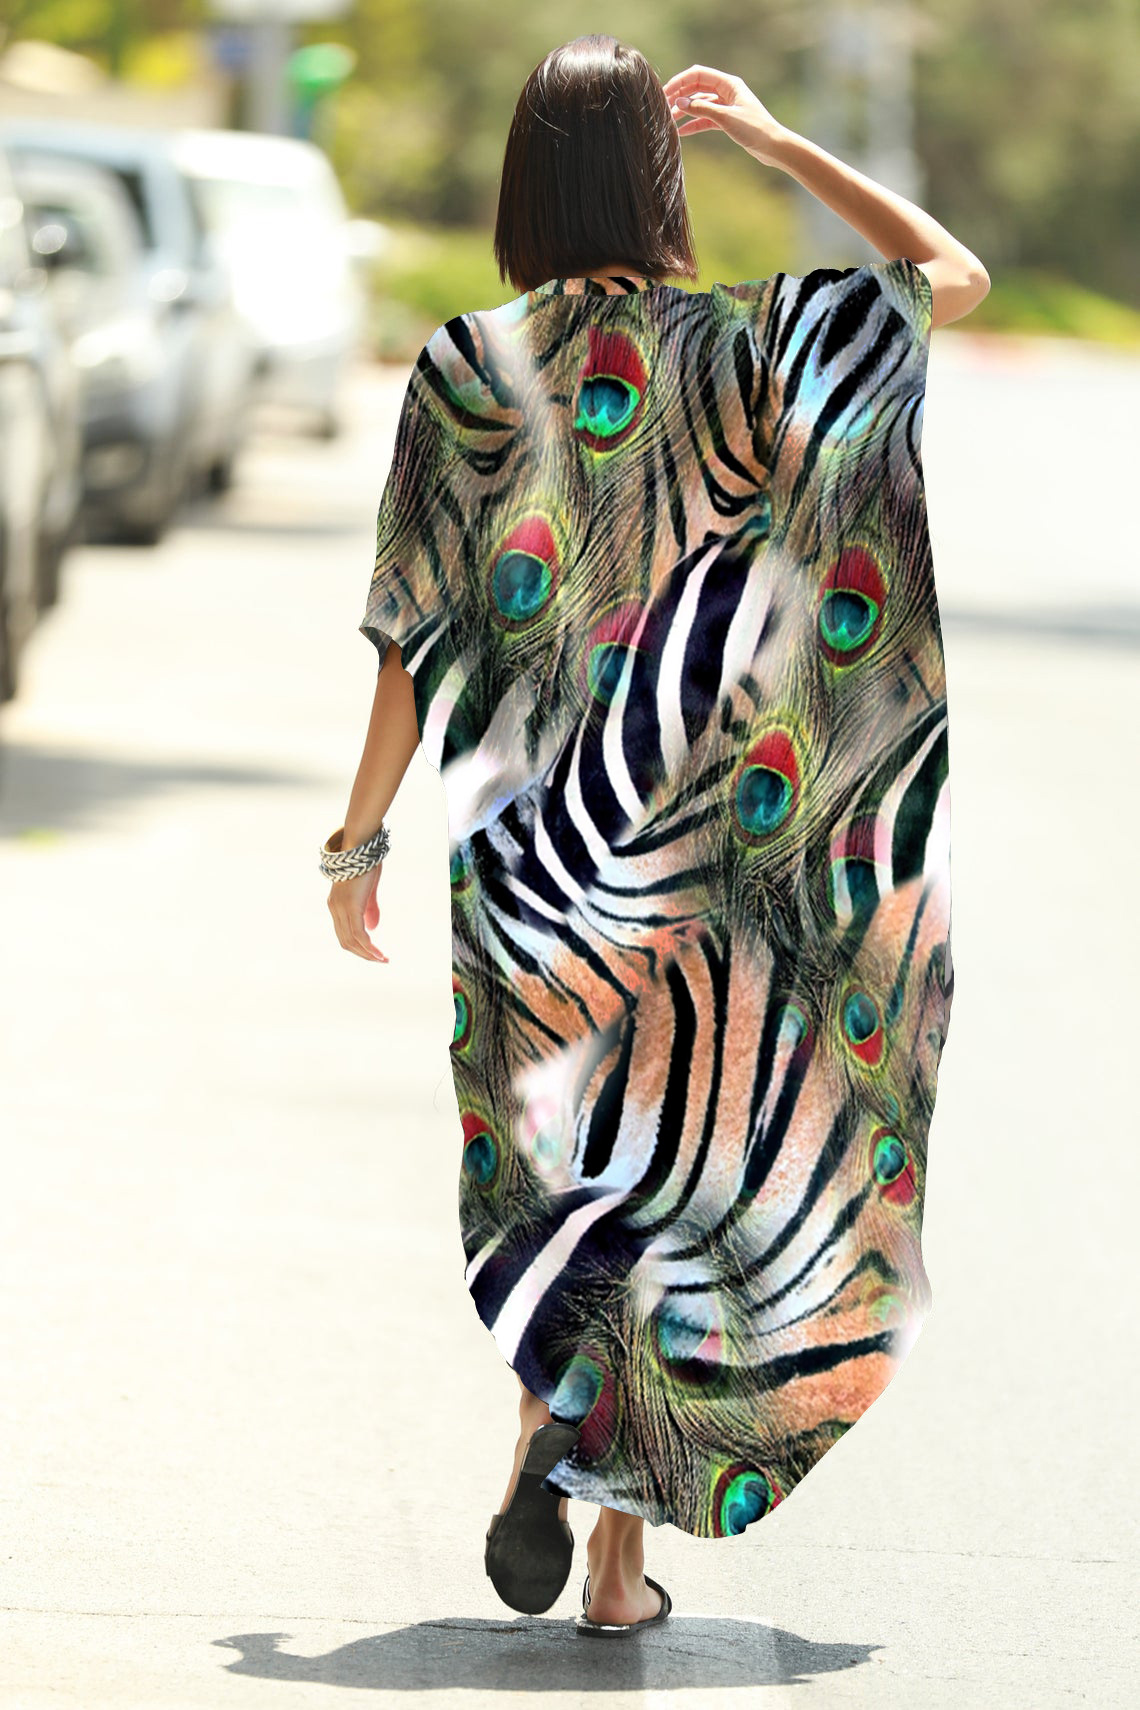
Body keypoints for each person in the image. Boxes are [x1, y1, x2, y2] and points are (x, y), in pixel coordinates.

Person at [324, 36, 989, 1636]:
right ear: (660, 181)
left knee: (566, 1184)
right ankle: (617, 1575)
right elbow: (951, 276)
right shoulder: (756, 346)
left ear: (519, 186)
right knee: (682, 1201)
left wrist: (356, 843)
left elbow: (407, 634)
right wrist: (781, 142)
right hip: (715, 883)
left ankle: (552, 1427)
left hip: (529, 882)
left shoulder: (465, 364)